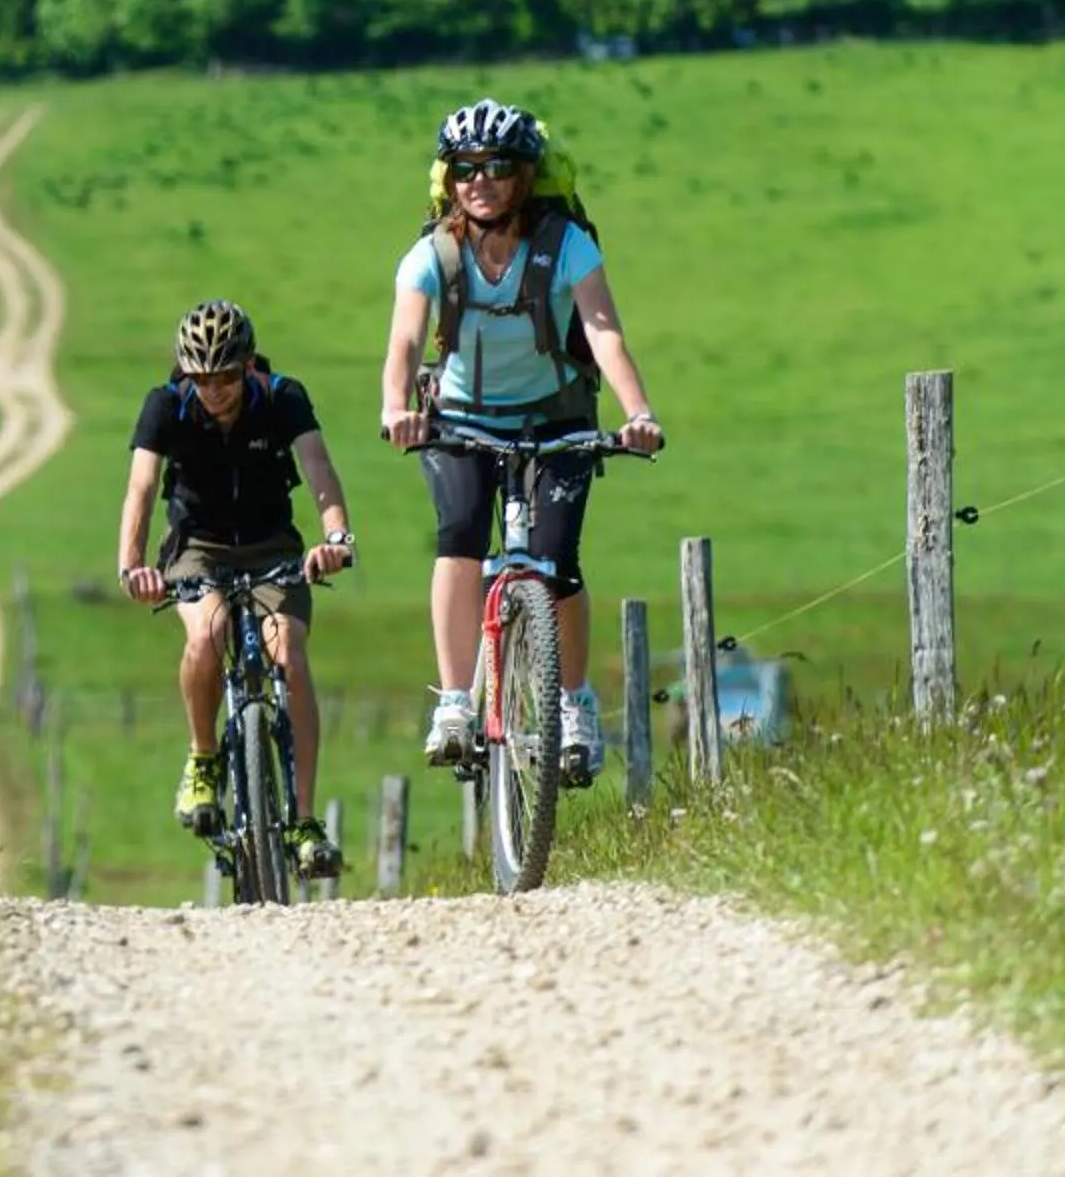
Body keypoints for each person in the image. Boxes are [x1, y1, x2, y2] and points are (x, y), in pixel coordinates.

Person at [380, 99, 663, 782]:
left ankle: (573, 704)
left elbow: (603, 331)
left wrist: (638, 411)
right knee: (459, 536)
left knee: (556, 560)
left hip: (556, 417)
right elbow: (405, 340)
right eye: (465, 168)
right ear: (447, 180)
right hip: (458, 419)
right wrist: (396, 407)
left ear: (526, 175)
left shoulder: (566, 245)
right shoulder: (432, 256)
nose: (481, 180)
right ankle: (454, 702)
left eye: (498, 166)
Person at [116, 299, 356, 879]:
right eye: (201, 378)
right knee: (207, 633)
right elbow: (142, 490)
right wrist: (133, 566)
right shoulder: (165, 407)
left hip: (273, 546)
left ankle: (301, 820)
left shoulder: (282, 397)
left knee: (288, 655)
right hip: (198, 547)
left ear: (248, 366)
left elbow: (319, 468)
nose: (214, 389)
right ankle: (203, 760)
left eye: (225, 376)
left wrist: (336, 538)